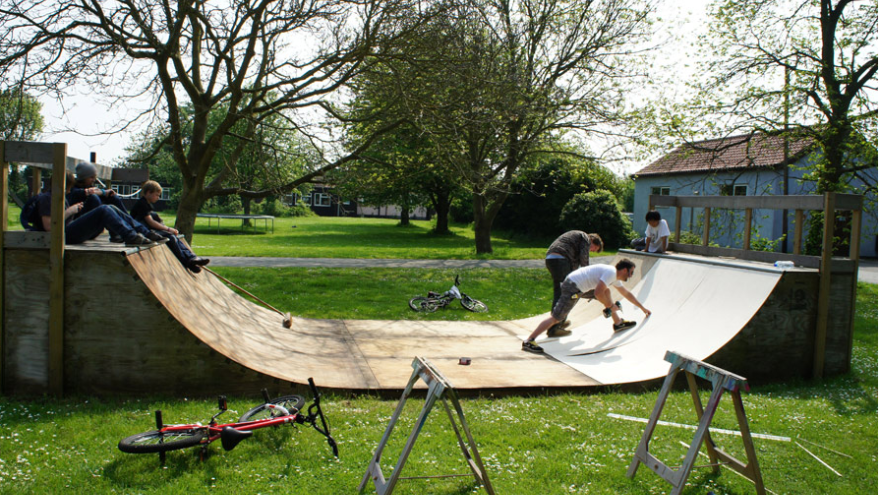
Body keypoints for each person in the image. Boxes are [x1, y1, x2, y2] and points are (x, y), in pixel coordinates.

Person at [522, 259, 651, 354]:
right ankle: (529, 340)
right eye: (631, 273)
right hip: (573, 287)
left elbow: (626, 293)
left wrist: (642, 308)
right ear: (624, 270)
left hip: (578, 285)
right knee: (556, 318)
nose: (631, 276)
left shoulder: (614, 276)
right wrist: (610, 306)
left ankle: (618, 323)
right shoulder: (611, 273)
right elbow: (597, 293)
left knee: (607, 291)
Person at [30, 171, 168, 246]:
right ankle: (130, 236)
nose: (69, 191)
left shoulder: (58, 197)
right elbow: (49, 227)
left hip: (68, 231)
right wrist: (70, 211)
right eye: (69, 188)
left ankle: (143, 232)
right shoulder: (47, 198)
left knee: (111, 207)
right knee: (104, 210)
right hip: (62, 236)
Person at [130, 180, 210, 273]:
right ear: (148, 192)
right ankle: (186, 261)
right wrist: (168, 229)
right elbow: (150, 222)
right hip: (141, 233)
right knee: (170, 238)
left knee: (175, 237)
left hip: (148, 230)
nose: (158, 198)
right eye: (157, 195)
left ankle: (192, 257)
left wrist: (168, 229)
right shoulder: (142, 204)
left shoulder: (147, 204)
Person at [544, 231, 603, 337]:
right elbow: (584, 259)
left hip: (552, 259)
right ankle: (555, 327)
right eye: (593, 248)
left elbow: (575, 268)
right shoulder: (585, 238)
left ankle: (559, 321)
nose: (592, 250)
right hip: (560, 260)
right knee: (565, 294)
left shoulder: (575, 240)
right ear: (593, 240)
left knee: (566, 291)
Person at [67, 161, 131, 236]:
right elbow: (87, 192)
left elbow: (94, 191)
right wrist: (103, 192)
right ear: (83, 177)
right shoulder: (72, 190)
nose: (94, 180)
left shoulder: (89, 187)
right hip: (82, 228)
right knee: (94, 197)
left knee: (112, 197)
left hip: (95, 228)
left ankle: (129, 227)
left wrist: (107, 194)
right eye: (91, 177)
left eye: (94, 177)